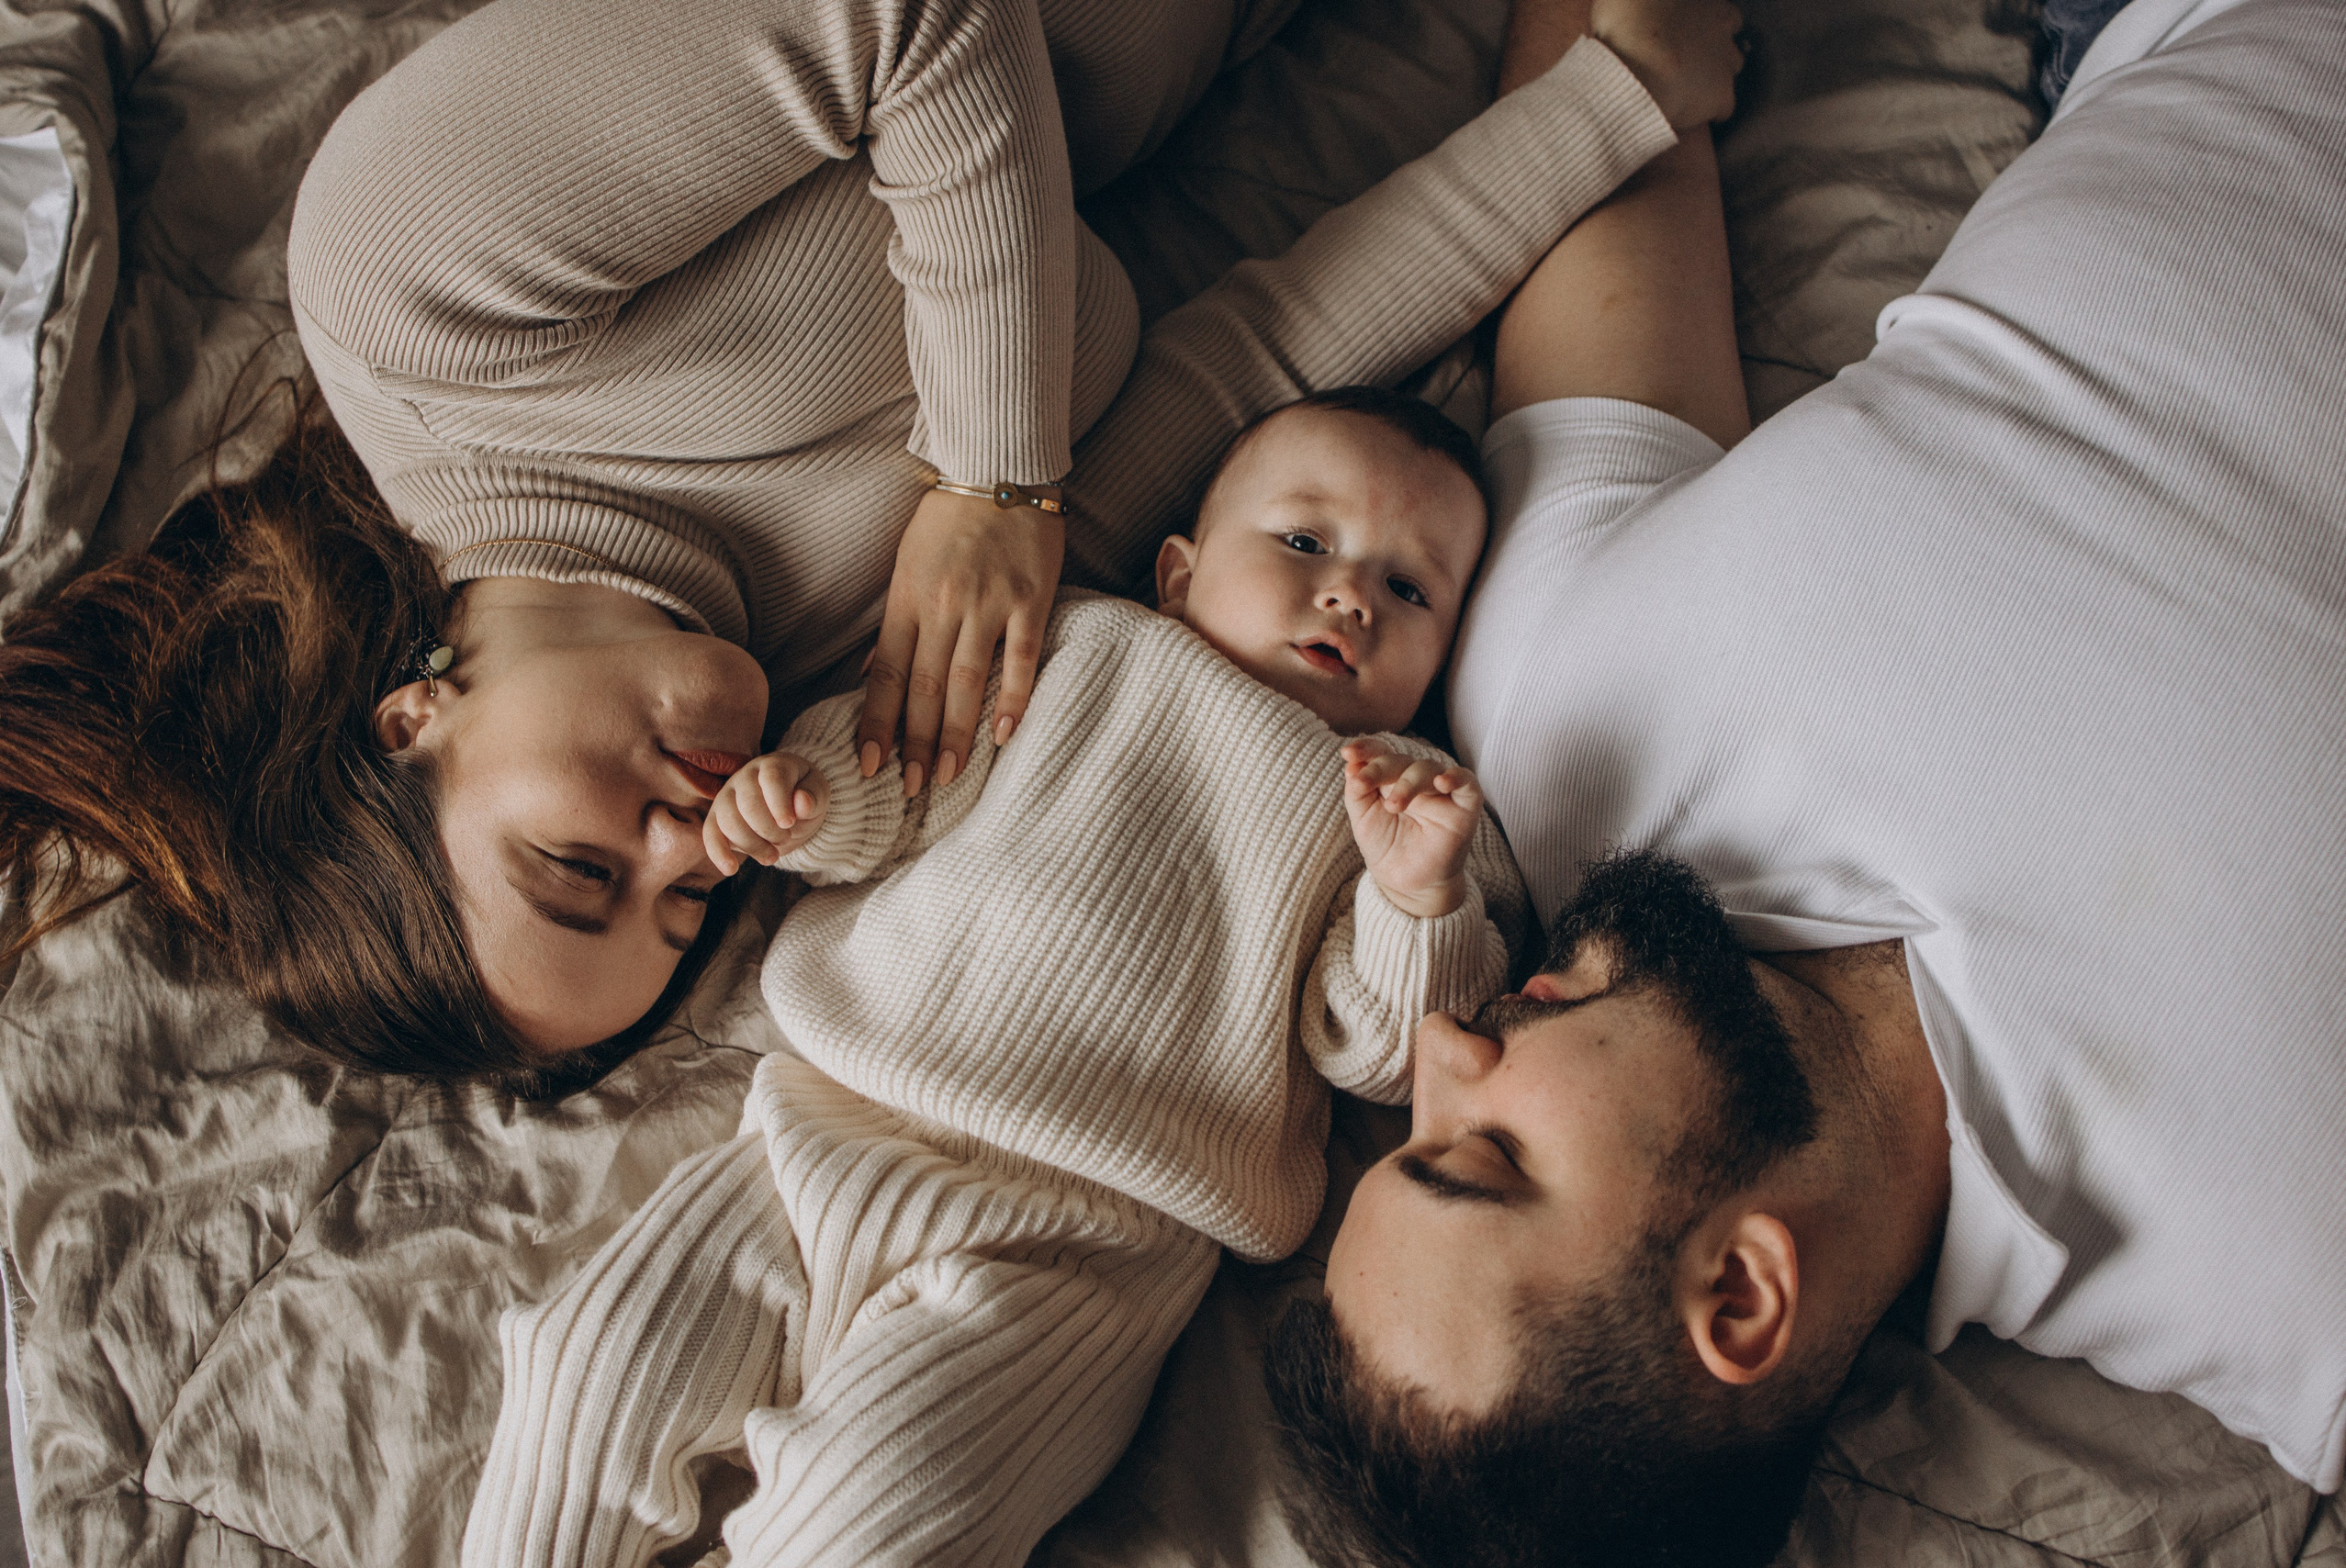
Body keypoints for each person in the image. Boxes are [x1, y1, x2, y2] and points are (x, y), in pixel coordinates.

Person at [0, 0, 1720, 1083]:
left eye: (586, 867)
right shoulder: (850, 673)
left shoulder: (409, 298)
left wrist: (993, 480)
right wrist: (1615, 103)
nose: (690, 848)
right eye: (681, 914)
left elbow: (901, 15)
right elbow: (1248, 365)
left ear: (410, 723)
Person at [1264, 0, 2346, 1562]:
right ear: (1741, 1293)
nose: (1440, 1044)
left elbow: (1612, 92)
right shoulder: (2284, 1279)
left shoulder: (1567, 726)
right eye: (1484, 1158)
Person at [464, 383, 1541, 1567]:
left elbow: (1383, 1047)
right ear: (1178, 575)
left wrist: (1417, 897)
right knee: (588, 1366)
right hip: (824, 1129)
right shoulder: (1080, 645)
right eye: (1302, 541)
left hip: (1082, 1245)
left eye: (1410, 588)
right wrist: (806, 803)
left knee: (874, 1511)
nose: (1348, 593)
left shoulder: (1396, 800)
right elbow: (909, 768)